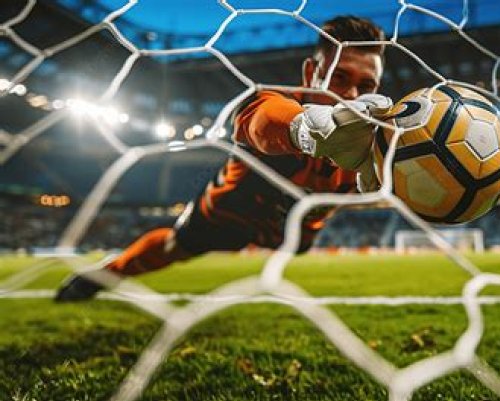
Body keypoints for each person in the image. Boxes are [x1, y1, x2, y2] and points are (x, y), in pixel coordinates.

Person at [55, 16, 391, 301]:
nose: (351, 95)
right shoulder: (273, 101)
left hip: (296, 230)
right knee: (173, 248)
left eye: (366, 85)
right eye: (339, 77)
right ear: (310, 73)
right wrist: (306, 129)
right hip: (231, 215)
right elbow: (261, 121)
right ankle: (101, 276)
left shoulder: (378, 138)